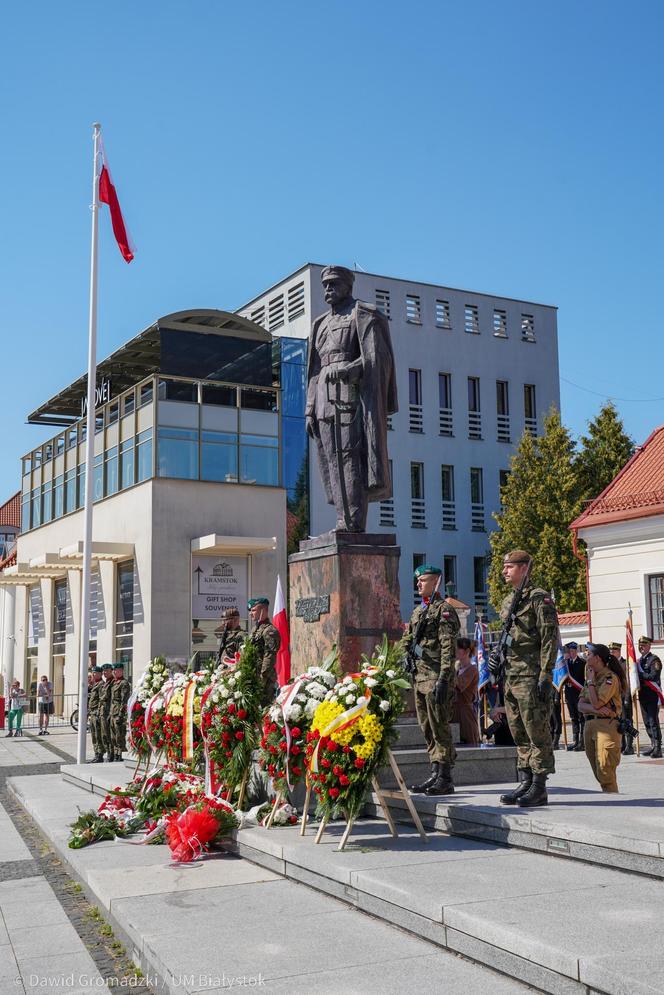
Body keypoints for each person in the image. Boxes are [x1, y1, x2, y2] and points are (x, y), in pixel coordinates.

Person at [305, 265, 398, 532]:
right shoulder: (320, 324)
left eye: (333, 284)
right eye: (325, 285)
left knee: (349, 457)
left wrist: (351, 369)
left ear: (348, 286)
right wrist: (309, 409)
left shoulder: (364, 315)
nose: (328, 289)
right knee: (332, 460)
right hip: (324, 399)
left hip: (350, 397)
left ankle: (353, 522)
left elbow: (377, 359)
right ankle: (341, 518)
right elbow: (313, 372)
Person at [498, 551, 559, 808]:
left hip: (531, 675)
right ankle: (525, 779)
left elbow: (549, 638)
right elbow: (507, 637)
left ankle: (539, 785)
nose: (504, 571)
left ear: (524, 568)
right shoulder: (510, 600)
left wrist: (546, 674)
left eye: (509, 566)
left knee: (537, 731)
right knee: (518, 731)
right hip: (512, 674)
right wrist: (497, 658)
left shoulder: (539, 599)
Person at [406, 564, 460, 795]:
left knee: (440, 727)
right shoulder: (419, 612)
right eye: (417, 581)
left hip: (436, 677)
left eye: (423, 580)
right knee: (426, 727)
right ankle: (435, 771)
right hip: (420, 676)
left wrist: (444, 679)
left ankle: (445, 776)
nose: (419, 584)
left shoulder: (443, 611)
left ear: (436, 581)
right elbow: (408, 639)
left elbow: (448, 647)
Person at [578, 643, 624, 792]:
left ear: (597, 658)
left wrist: (591, 684)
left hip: (607, 726)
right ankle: (609, 797)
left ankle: (615, 803)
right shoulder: (591, 676)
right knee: (598, 772)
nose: (586, 656)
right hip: (590, 726)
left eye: (589, 654)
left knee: (605, 771)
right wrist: (595, 708)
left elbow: (597, 703)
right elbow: (580, 705)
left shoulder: (610, 678)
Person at [247, 598, 280, 706]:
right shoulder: (255, 629)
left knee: (264, 709)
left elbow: (269, 657)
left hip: (265, 681)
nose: (251, 614)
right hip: (253, 677)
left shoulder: (270, 631)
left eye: (253, 610)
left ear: (263, 610)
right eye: (250, 611)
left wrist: (262, 679)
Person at [451, 637, 479, 746]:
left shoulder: (472, 670)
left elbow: (460, 684)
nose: (455, 651)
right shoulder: (458, 670)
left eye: (458, 649)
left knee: (469, 743)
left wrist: (449, 668)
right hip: (454, 712)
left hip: (466, 714)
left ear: (467, 651)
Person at [637, 635, 662, 757]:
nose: (641, 647)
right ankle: (652, 744)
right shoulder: (638, 661)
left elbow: (653, 676)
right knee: (646, 721)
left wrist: (640, 675)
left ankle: (658, 747)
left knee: (653, 721)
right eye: (640, 645)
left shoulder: (654, 660)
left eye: (644, 645)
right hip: (643, 695)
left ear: (649, 646)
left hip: (652, 695)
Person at [610, 642, 634, 755]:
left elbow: (629, 682)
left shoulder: (625, 664)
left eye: (613, 651)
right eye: (611, 652)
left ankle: (630, 745)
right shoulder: (610, 665)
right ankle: (622, 744)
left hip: (624, 697)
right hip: (615, 699)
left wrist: (627, 697)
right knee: (619, 722)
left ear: (618, 651)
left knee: (627, 721)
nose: (612, 653)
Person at [564, 642, 586, 751]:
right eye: (569, 652)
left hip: (578, 694)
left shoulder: (582, 663)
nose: (571, 653)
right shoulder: (565, 664)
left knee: (581, 718)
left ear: (576, 651)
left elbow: (584, 680)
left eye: (573, 651)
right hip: (569, 694)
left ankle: (582, 742)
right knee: (573, 718)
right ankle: (575, 740)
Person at [110, 663, 132, 762]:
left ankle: (122, 755)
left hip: (119, 712)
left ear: (122, 671)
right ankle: (116, 754)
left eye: (117, 670)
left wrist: (120, 714)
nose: (114, 672)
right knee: (113, 736)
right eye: (114, 670)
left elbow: (124, 701)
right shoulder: (114, 682)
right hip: (112, 711)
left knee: (120, 735)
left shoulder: (124, 683)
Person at [98, 663, 115, 761]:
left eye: (107, 671)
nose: (104, 673)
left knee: (110, 735)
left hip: (109, 712)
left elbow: (111, 698)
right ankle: (108, 752)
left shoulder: (112, 682)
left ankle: (111, 754)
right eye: (104, 671)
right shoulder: (106, 682)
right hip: (103, 711)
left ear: (111, 671)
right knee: (104, 734)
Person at [87, 665, 104, 763]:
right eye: (93, 673)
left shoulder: (101, 684)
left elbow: (101, 700)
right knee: (94, 735)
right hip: (92, 713)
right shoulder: (94, 684)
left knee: (98, 735)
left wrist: (98, 712)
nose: (94, 674)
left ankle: (99, 755)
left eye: (96, 673)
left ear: (100, 674)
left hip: (97, 713)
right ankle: (96, 754)